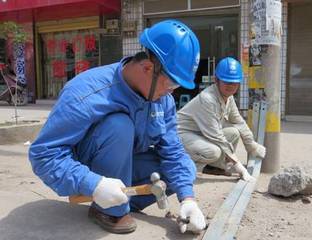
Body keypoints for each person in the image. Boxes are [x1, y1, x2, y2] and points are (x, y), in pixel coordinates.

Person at [29, 20, 206, 234]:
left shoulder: (162, 100)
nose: (171, 92)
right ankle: (109, 209)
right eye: (171, 84)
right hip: (91, 167)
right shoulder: (85, 93)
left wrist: (188, 199)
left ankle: (121, 201)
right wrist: (93, 183)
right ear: (147, 67)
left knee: (184, 167)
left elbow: (173, 152)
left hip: (127, 164)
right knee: (119, 125)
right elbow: (44, 154)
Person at [177, 57, 266, 181]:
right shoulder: (208, 99)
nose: (231, 86)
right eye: (227, 82)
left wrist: (252, 146)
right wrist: (239, 166)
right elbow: (217, 137)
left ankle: (216, 167)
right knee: (213, 152)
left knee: (234, 132)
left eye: (234, 82)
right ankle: (181, 166)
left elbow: (238, 122)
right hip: (181, 135)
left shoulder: (228, 98)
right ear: (216, 80)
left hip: (199, 134)